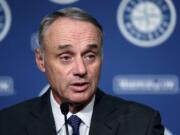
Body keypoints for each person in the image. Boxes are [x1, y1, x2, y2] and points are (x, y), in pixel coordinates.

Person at [0, 7, 164, 135]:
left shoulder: (142, 124)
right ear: (40, 60)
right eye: (66, 57)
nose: (81, 70)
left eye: (90, 56)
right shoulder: (7, 124)